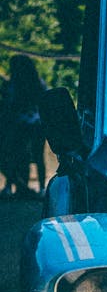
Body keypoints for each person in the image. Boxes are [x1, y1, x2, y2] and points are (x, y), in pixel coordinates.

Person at [0, 54, 47, 198]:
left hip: (19, 124)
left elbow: (9, 105)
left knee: (16, 155)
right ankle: (41, 188)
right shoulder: (38, 83)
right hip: (38, 124)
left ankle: (10, 186)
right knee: (38, 156)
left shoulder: (12, 84)